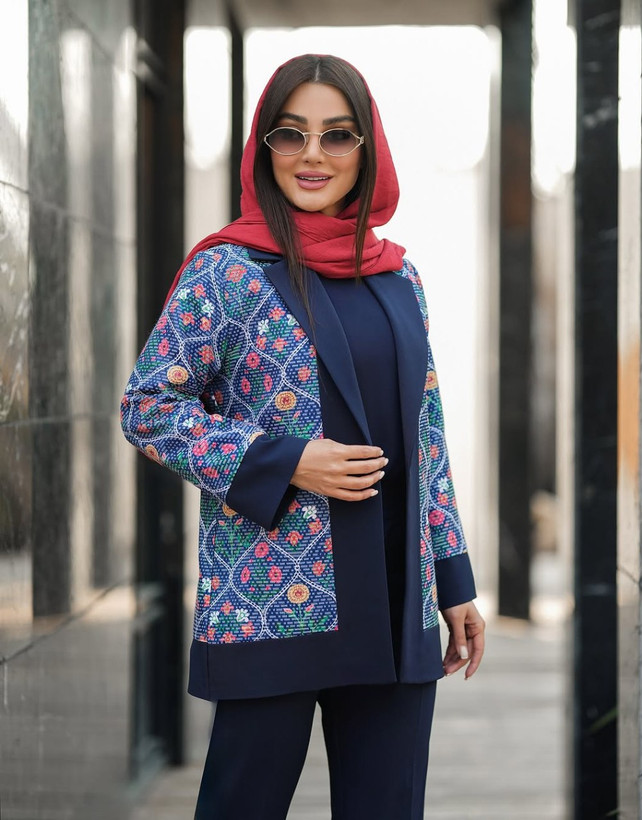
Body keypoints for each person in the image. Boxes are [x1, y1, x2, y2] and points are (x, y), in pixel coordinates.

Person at [121, 54, 485, 820]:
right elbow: (147, 407)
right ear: (264, 149)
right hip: (273, 602)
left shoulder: (399, 278)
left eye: (337, 135)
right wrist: (285, 461)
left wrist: (452, 583)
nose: (313, 155)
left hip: (397, 601)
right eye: (290, 134)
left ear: (367, 149)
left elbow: (426, 437)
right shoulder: (227, 272)